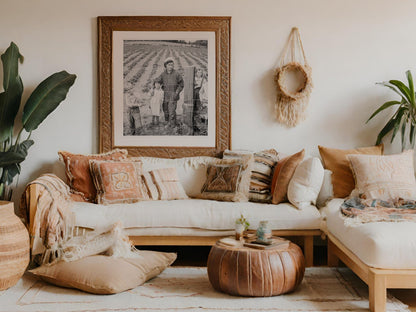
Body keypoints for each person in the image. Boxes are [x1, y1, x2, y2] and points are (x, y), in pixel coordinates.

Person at [155, 57, 184, 128]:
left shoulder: (177, 74)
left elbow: (181, 84)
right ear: (166, 65)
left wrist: (177, 92)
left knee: (172, 111)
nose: (171, 66)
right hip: (165, 96)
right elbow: (158, 81)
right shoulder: (163, 74)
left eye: (172, 65)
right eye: (169, 65)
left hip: (173, 95)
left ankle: (173, 125)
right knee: (166, 110)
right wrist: (156, 84)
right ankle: (168, 122)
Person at [193, 68, 207, 134]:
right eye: (198, 72)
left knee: (200, 106)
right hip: (195, 93)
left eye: (200, 72)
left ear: (202, 73)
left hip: (200, 93)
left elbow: (204, 88)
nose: (199, 74)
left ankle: (202, 118)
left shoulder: (203, 80)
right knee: (194, 105)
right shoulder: (194, 79)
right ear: (196, 73)